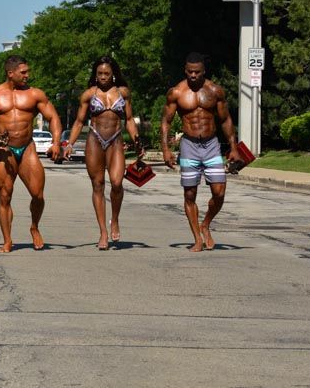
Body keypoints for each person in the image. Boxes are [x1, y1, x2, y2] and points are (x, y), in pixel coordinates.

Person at [0, 55, 62, 253]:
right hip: (4, 149)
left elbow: (53, 117)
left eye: (28, 71)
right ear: (10, 73)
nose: (28, 75)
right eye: (23, 72)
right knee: (5, 196)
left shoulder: (35, 94)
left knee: (38, 195)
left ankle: (34, 227)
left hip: (27, 148)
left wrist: (56, 143)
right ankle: (7, 239)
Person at [161, 52, 242, 252]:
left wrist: (234, 147)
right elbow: (166, 122)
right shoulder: (177, 92)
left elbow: (225, 120)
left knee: (219, 192)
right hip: (189, 145)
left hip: (211, 144)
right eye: (190, 71)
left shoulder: (215, 91)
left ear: (204, 71)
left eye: (197, 72)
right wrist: (165, 149)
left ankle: (205, 224)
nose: (193, 75)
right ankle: (197, 238)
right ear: (185, 70)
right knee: (190, 194)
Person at [65, 56, 144, 250]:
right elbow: (79, 122)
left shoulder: (123, 93)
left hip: (115, 140)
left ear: (113, 74)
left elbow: (129, 120)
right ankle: (103, 232)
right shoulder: (88, 94)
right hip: (94, 140)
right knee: (98, 185)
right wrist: (69, 144)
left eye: (106, 73)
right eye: (99, 73)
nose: (102, 77)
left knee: (117, 183)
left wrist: (136, 140)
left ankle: (114, 219)